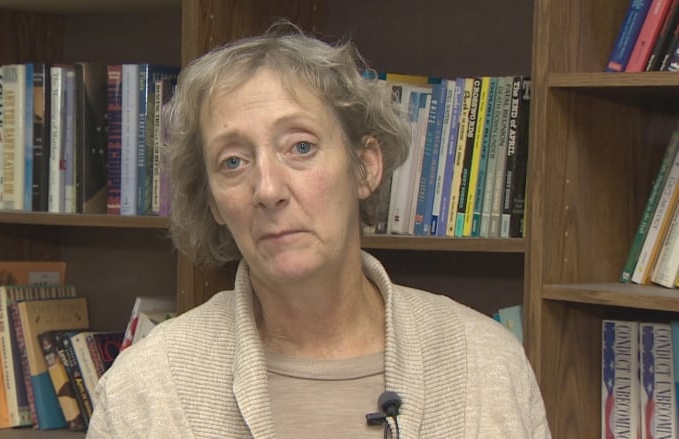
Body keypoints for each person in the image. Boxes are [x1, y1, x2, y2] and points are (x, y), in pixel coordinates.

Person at [87, 22, 551, 438]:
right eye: (233, 161)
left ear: (365, 167)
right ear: (214, 203)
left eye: (301, 146)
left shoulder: (487, 363)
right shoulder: (146, 387)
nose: (267, 189)